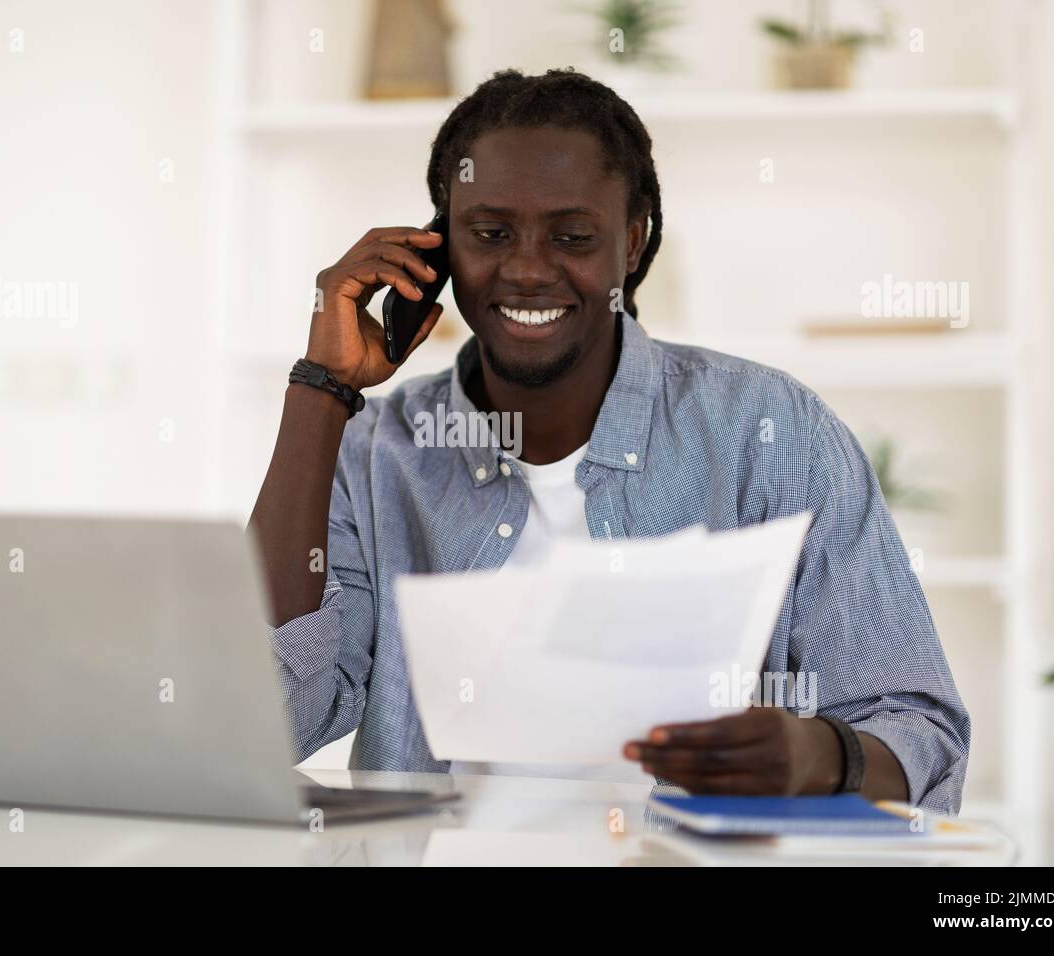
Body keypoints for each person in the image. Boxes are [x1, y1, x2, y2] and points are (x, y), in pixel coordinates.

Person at [250, 68, 970, 813]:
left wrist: (818, 756)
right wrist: (321, 389)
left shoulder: (774, 432)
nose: (526, 269)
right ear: (436, 255)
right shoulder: (377, 451)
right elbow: (264, 722)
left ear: (631, 243)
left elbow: (921, 734)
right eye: (489, 234)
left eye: (572, 236)